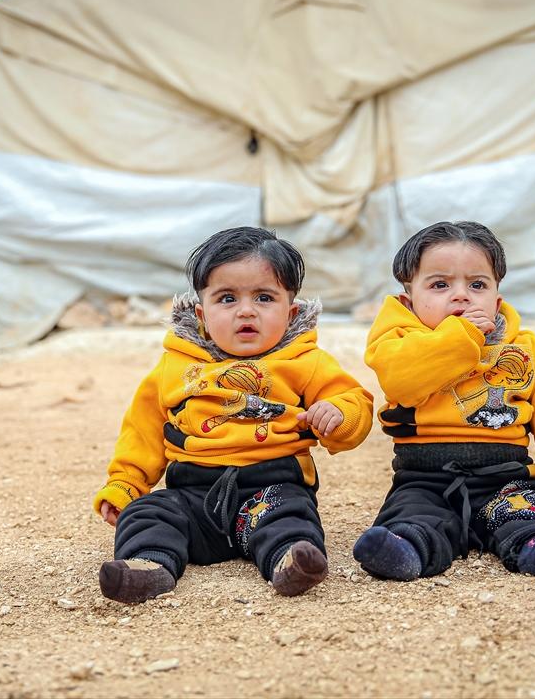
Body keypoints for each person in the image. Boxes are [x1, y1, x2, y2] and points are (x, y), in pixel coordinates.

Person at [94, 226, 373, 603]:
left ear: (290, 313)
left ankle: (288, 561)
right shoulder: (175, 366)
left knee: (290, 518)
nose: (246, 310)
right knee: (148, 513)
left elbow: (353, 399)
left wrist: (337, 413)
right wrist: (126, 483)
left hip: (271, 488)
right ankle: (149, 565)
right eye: (226, 298)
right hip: (192, 495)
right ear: (202, 313)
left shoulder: (304, 362)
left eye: (264, 297)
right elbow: (143, 429)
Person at [352, 221, 535, 580]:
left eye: (477, 285)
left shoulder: (523, 349)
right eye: (440, 285)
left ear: (496, 300)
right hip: (424, 478)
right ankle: (406, 550)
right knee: (413, 517)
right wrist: (462, 335)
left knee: (523, 511)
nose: (461, 295)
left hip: (506, 476)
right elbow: (401, 380)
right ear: (409, 300)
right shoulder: (398, 341)